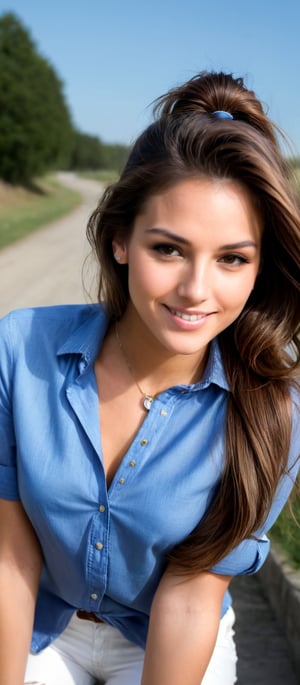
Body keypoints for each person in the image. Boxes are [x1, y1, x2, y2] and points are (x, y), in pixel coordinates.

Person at [0, 71, 299, 685]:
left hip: (172, 632)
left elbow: (189, 597)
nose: (196, 290)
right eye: (168, 249)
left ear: (259, 267)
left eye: (232, 259)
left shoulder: (277, 413)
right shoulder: (18, 347)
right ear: (119, 239)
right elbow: (9, 556)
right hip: (40, 624)